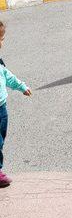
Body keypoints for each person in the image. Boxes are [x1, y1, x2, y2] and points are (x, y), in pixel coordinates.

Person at [0, 21, 31, 188]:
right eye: (0, 39)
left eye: (2, 38)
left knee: (1, 139)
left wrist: (21, 87)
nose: (1, 42)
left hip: (1, 109)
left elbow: (8, 76)